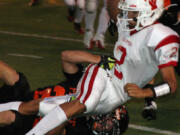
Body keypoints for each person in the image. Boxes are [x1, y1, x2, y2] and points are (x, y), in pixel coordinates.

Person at [23, 0, 179, 134]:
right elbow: (115, 11)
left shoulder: (161, 35)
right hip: (107, 75)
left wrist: (144, 93)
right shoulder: (130, 24)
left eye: (131, 12)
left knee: (44, 107)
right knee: (79, 104)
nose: (124, 15)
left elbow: (171, 84)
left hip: (116, 88)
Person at [0, 58, 129, 135]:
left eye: (107, 128)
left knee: (11, 116)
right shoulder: (87, 87)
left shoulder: (82, 128)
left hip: (30, 122)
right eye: (107, 123)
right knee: (16, 79)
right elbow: (67, 57)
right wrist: (99, 60)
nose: (101, 127)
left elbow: (52, 133)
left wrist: (66, 113)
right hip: (28, 100)